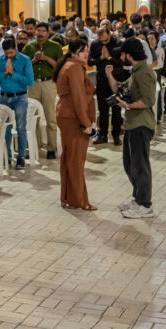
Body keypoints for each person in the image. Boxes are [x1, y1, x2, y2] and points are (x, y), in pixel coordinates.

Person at [105, 38, 158, 219]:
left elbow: (149, 100)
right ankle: (137, 199)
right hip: (132, 124)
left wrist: (127, 106)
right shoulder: (136, 72)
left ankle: (145, 204)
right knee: (130, 165)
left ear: (129, 54)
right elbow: (121, 89)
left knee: (140, 166)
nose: (120, 57)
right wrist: (110, 76)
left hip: (141, 124)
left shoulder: (144, 73)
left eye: (122, 53)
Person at [55, 40, 96, 210]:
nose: (86, 54)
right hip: (73, 117)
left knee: (69, 158)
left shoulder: (69, 65)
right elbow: (78, 98)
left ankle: (68, 197)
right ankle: (78, 201)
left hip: (67, 115)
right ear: (73, 53)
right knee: (75, 160)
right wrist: (86, 123)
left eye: (87, 50)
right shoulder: (74, 68)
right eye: (82, 51)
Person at [0, 39, 35, 170]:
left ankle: (21, 157)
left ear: (16, 48)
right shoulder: (0, 60)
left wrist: (13, 73)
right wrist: (4, 73)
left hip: (20, 97)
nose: (8, 56)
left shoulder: (25, 60)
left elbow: (29, 81)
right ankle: (7, 157)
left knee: (21, 128)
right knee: (5, 129)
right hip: (4, 98)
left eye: (11, 52)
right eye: (6, 53)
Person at [23, 23, 62, 159]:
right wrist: (34, 59)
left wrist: (46, 58)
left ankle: (51, 148)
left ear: (48, 32)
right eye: (37, 31)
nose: (39, 33)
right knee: (32, 116)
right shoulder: (29, 47)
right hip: (33, 84)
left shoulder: (55, 47)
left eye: (42, 31)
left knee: (50, 117)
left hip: (49, 83)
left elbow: (59, 66)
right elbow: (23, 67)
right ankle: (33, 147)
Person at [88, 27, 126, 146]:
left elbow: (122, 62)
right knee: (103, 108)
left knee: (116, 107)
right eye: (101, 41)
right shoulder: (94, 44)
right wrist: (101, 58)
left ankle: (116, 135)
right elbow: (90, 61)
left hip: (115, 78)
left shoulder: (118, 43)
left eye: (105, 41)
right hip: (101, 79)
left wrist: (109, 57)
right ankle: (103, 135)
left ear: (109, 34)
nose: (103, 43)